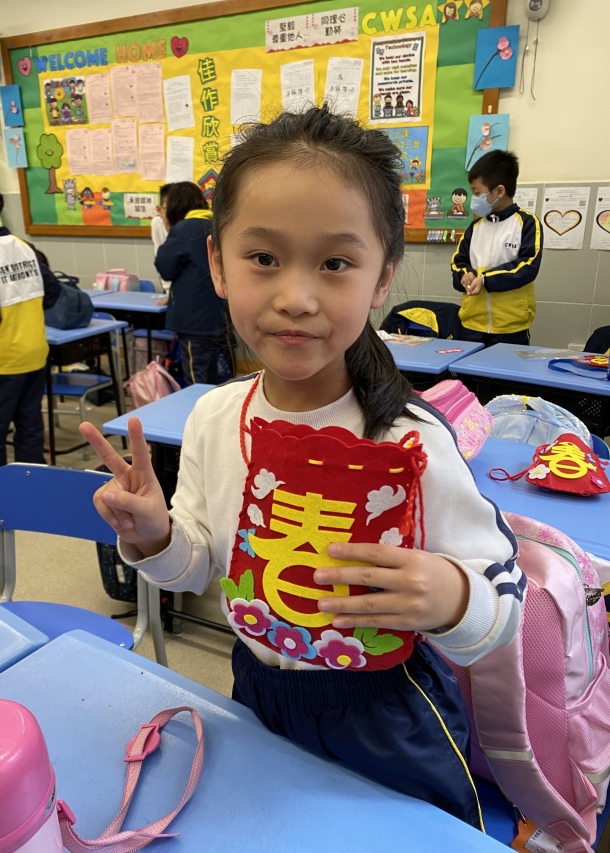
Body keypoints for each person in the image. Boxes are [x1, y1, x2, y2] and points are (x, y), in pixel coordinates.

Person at [80, 105, 523, 828]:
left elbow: (503, 604)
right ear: (217, 264)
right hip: (258, 690)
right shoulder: (216, 417)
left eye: (336, 263)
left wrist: (451, 596)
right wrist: (157, 536)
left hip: (387, 711)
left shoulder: (410, 441)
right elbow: (200, 567)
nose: (296, 298)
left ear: (381, 278)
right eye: (263, 258)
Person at [0, 175, 61, 518]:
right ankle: (31, 490)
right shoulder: (23, 245)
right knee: (29, 426)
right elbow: (52, 291)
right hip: (35, 353)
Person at [451, 150, 543, 347]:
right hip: (472, 325)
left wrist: (485, 279)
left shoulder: (527, 223)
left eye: (477, 193)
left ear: (499, 191)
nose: (473, 199)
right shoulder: (475, 227)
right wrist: (465, 274)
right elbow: (459, 261)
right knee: (469, 368)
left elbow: (528, 266)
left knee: (506, 369)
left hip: (511, 327)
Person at [155, 181, 234, 385]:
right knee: (219, 376)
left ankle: (198, 407)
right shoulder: (217, 224)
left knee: (196, 378)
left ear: (175, 206)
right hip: (221, 315)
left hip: (194, 320)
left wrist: (169, 230)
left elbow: (165, 267)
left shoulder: (183, 229)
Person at [151, 182, 171, 292]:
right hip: (170, 286)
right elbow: (159, 257)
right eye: (169, 208)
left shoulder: (186, 225)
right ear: (159, 210)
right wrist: (168, 292)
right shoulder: (157, 223)